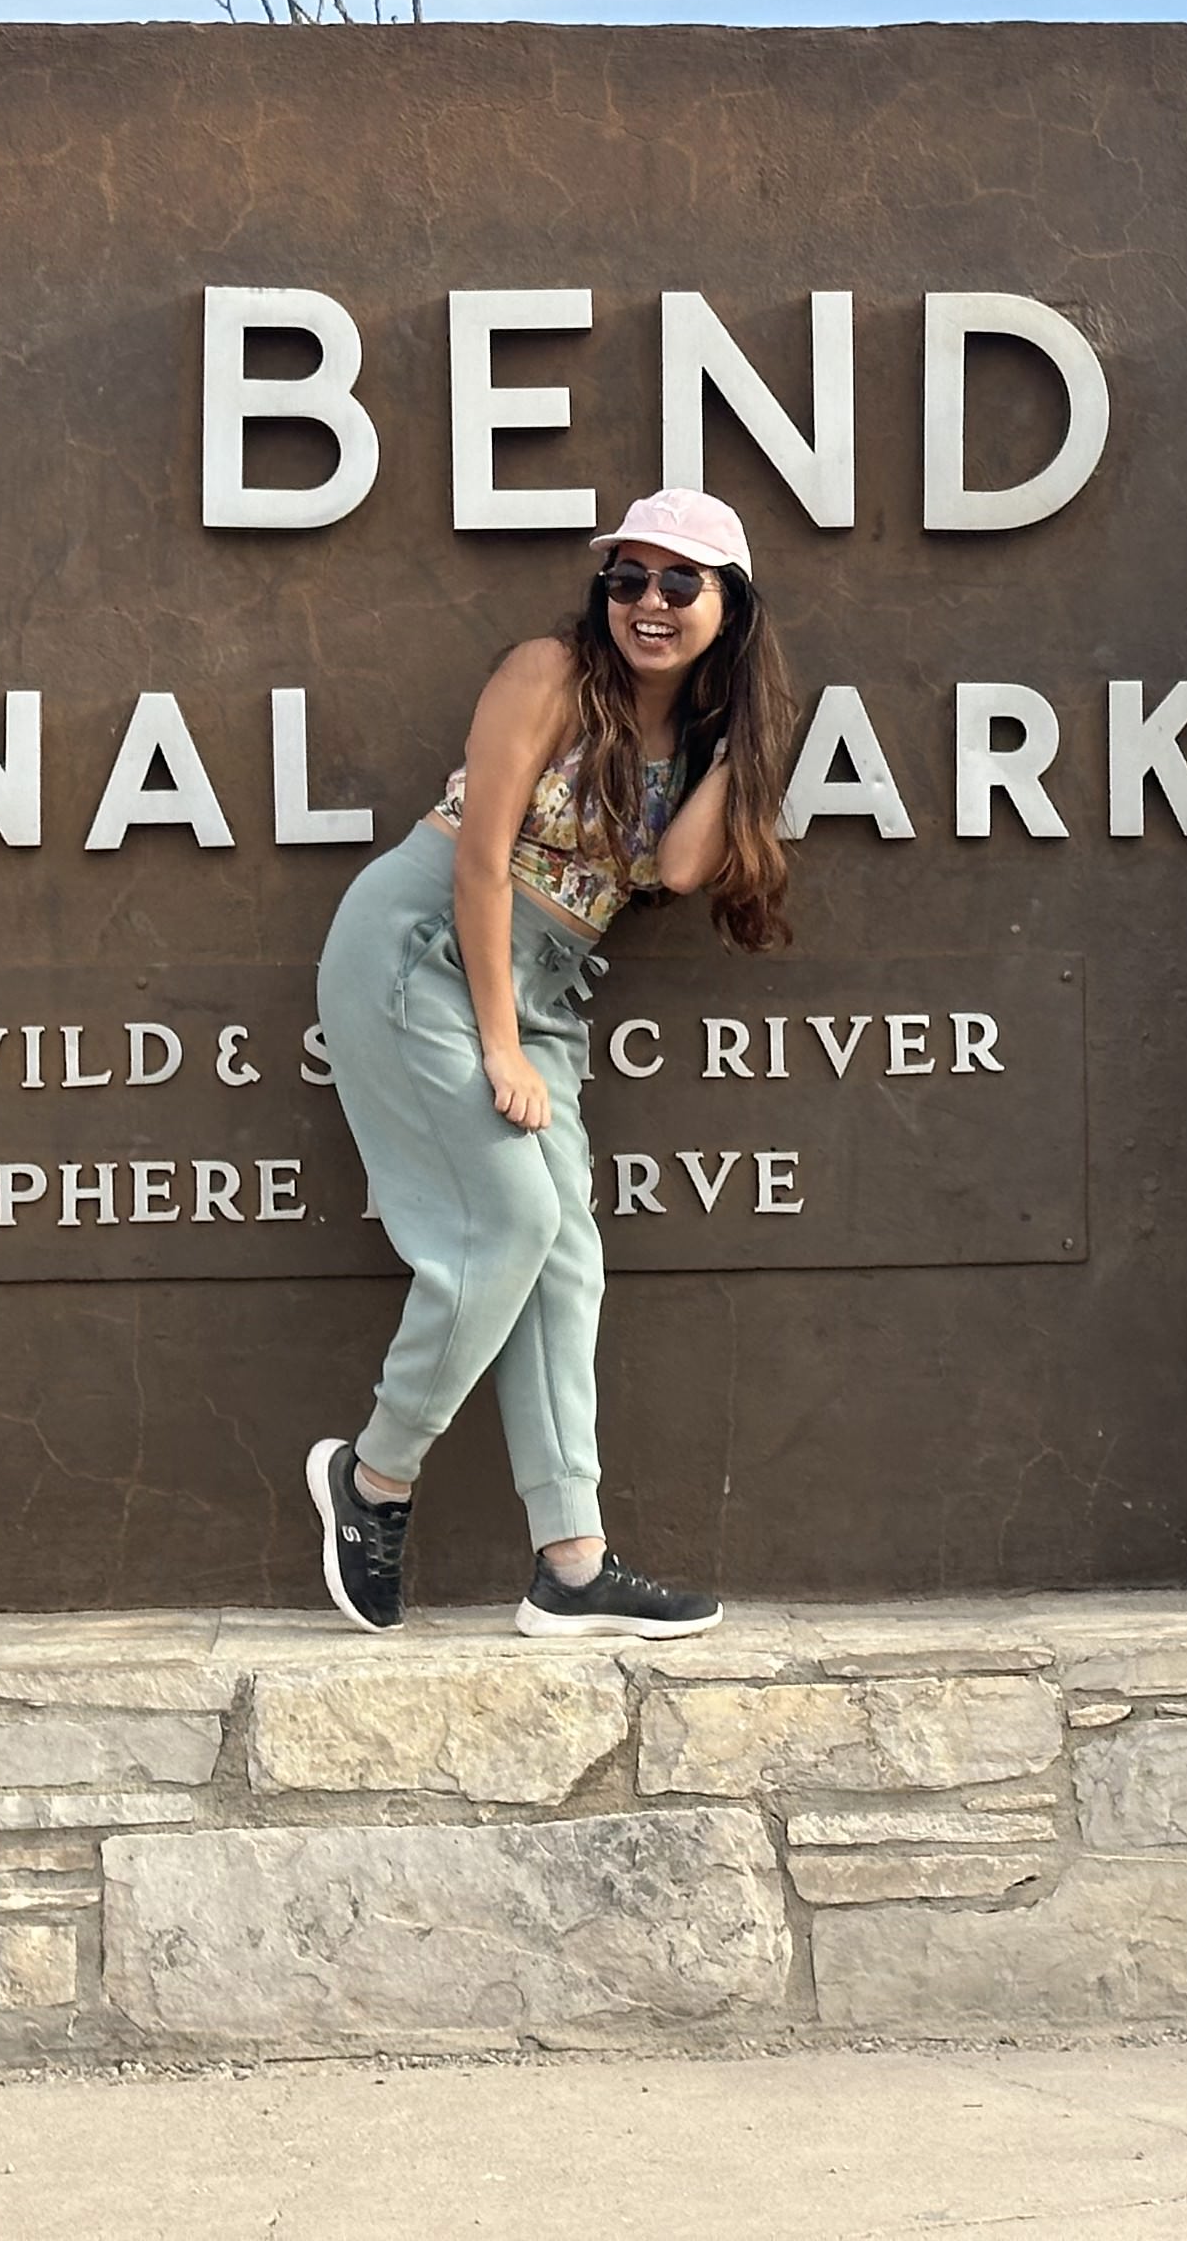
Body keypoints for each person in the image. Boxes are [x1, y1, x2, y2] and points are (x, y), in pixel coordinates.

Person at [304, 485, 799, 1636]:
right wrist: (496, 1042)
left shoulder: (696, 735)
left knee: (567, 1257)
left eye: (683, 582)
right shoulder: (545, 673)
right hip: (425, 949)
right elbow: (480, 862)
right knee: (514, 1225)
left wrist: (748, 726)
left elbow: (677, 871)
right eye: (628, 579)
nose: (650, 603)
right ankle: (372, 1477)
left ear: (730, 601)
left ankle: (570, 1561)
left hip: (546, 985)